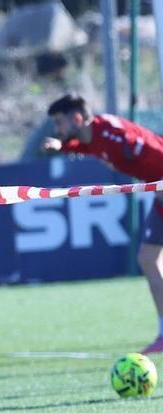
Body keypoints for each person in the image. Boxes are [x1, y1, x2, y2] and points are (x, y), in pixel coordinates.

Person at [43, 94, 163, 354]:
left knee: (148, 257)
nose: (57, 129)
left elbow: (155, 151)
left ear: (77, 118)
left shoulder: (113, 134)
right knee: (148, 258)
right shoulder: (93, 136)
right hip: (160, 197)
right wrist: (61, 146)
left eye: (59, 123)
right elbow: (86, 147)